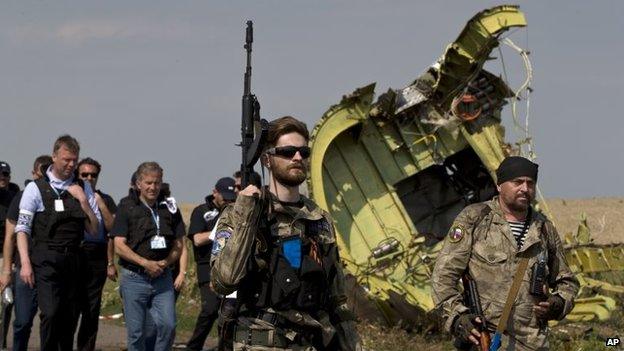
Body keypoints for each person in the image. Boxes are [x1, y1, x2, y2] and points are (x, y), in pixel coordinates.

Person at [211, 116, 362, 351]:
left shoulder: (319, 219)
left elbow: (336, 298)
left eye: (304, 151)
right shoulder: (240, 214)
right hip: (258, 343)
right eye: (288, 151)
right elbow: (223, 282)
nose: (297, 157)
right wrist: (245, 216)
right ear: (267, 159)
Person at [431, 156, 580, 351]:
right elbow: (442, 276)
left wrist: (558, 303)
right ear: (500, 185)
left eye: (530, 183)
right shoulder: (475, 219)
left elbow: (567, 281)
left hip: (532, 343)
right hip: (484, 340)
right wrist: (458, 317)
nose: (525, 189)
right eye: (517, 182)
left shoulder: (543, 229)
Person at [16, 135, 99, 351]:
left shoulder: (83, 187)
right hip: (46, 258)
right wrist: (25, 263)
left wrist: (83, 200)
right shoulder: (36, 189)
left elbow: (93, 229)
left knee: (69, 317)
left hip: (74, 259)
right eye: (66, 159)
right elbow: (22, 229)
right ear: (54, 156)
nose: (71, 164)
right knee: (51, 313)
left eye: (74, 160)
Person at [112, 162, 185, 351]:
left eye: (157, 183)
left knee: (168, 326)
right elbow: (119, 245)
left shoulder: (170, 206)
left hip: (162, 277)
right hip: (134, 278)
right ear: (139, 184)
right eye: (148, 183)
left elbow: (179, 243)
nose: (153, 187)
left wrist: (166, 262)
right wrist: (145, 263)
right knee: (136, 333)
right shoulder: (126, 206)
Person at [1, 155, 51, 351]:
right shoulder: (22, 196)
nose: (45, 175)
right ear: (34, 173)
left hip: (50, 268)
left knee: (51, 318)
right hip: (25, 267)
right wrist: (6, 270)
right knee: (22, 320)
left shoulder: (61, 195)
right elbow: (10, 236)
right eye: (42, 171)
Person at [71, 157, 118, 351]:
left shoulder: (105, 199)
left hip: (96, 256)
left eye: (93, 175)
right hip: (74, 254)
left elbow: (112, 230)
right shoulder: (71, 195)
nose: (89, 178)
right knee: (71, 307)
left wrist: (100, 204)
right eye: (84, 174)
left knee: (91, 309)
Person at [185, 177, 237, 351]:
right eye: (225, 197)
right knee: (210, 310)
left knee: (230, 312)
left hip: (229, 267)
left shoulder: (235, 210)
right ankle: (194, 347)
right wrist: (218, 232)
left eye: (232, 197)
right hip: (207, 268)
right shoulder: (201, 211)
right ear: (215, 192)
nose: (229, 201)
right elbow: (197, 240)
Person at [0, 161, 19, 349]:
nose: (2, 178)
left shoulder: (13, 199)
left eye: (5, 174)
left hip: (5, 258)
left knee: (7, 302)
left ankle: (1, 341)